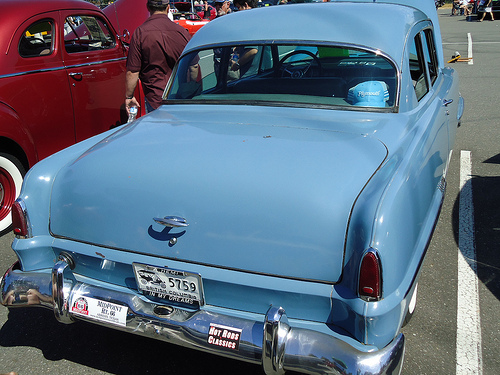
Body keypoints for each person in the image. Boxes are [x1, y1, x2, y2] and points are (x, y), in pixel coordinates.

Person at [125, 0, 191, 114]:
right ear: (168, 8)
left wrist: (129, 96)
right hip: (179, 96)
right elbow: (193, 67)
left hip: (155, 99)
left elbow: (133, 71)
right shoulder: (182, 32)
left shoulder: (140, 33)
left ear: (148, 8)